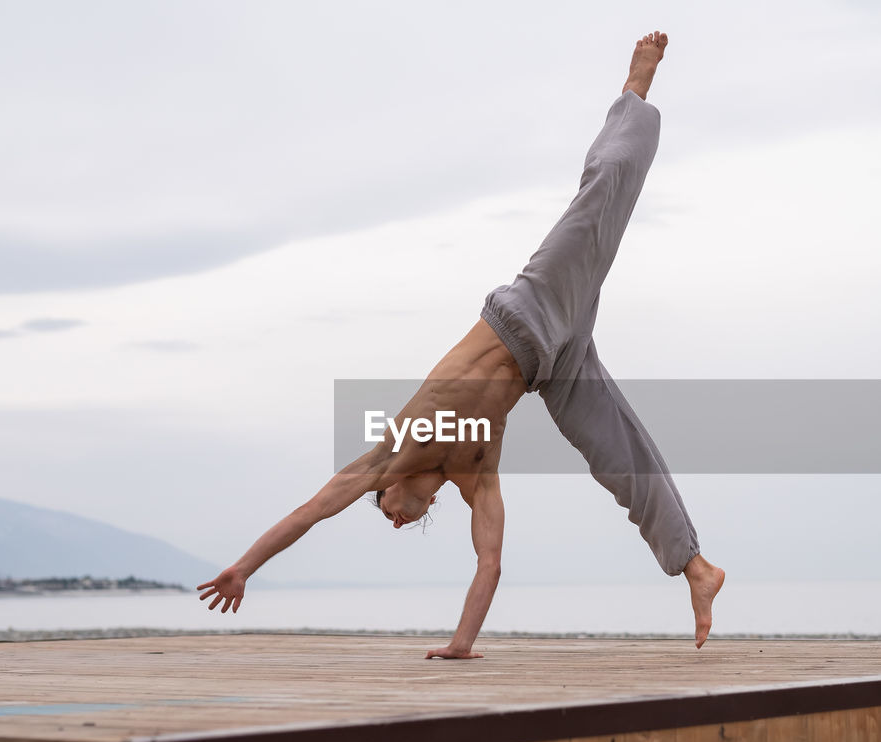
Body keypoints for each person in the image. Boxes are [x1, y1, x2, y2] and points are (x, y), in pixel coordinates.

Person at [197, 31, 725, 658]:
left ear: (388, 488)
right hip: (554, 364)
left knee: (602, 185)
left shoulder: (392, 452)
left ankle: (634, 90)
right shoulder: (475, 471)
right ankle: (694, 566)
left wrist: (244, 567)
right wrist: (460, 646)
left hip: (529, 311)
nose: (393, 518)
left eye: (385, 511)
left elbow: (308, 513)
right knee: (618, 453)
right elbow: (489, 564)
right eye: (401, 520)